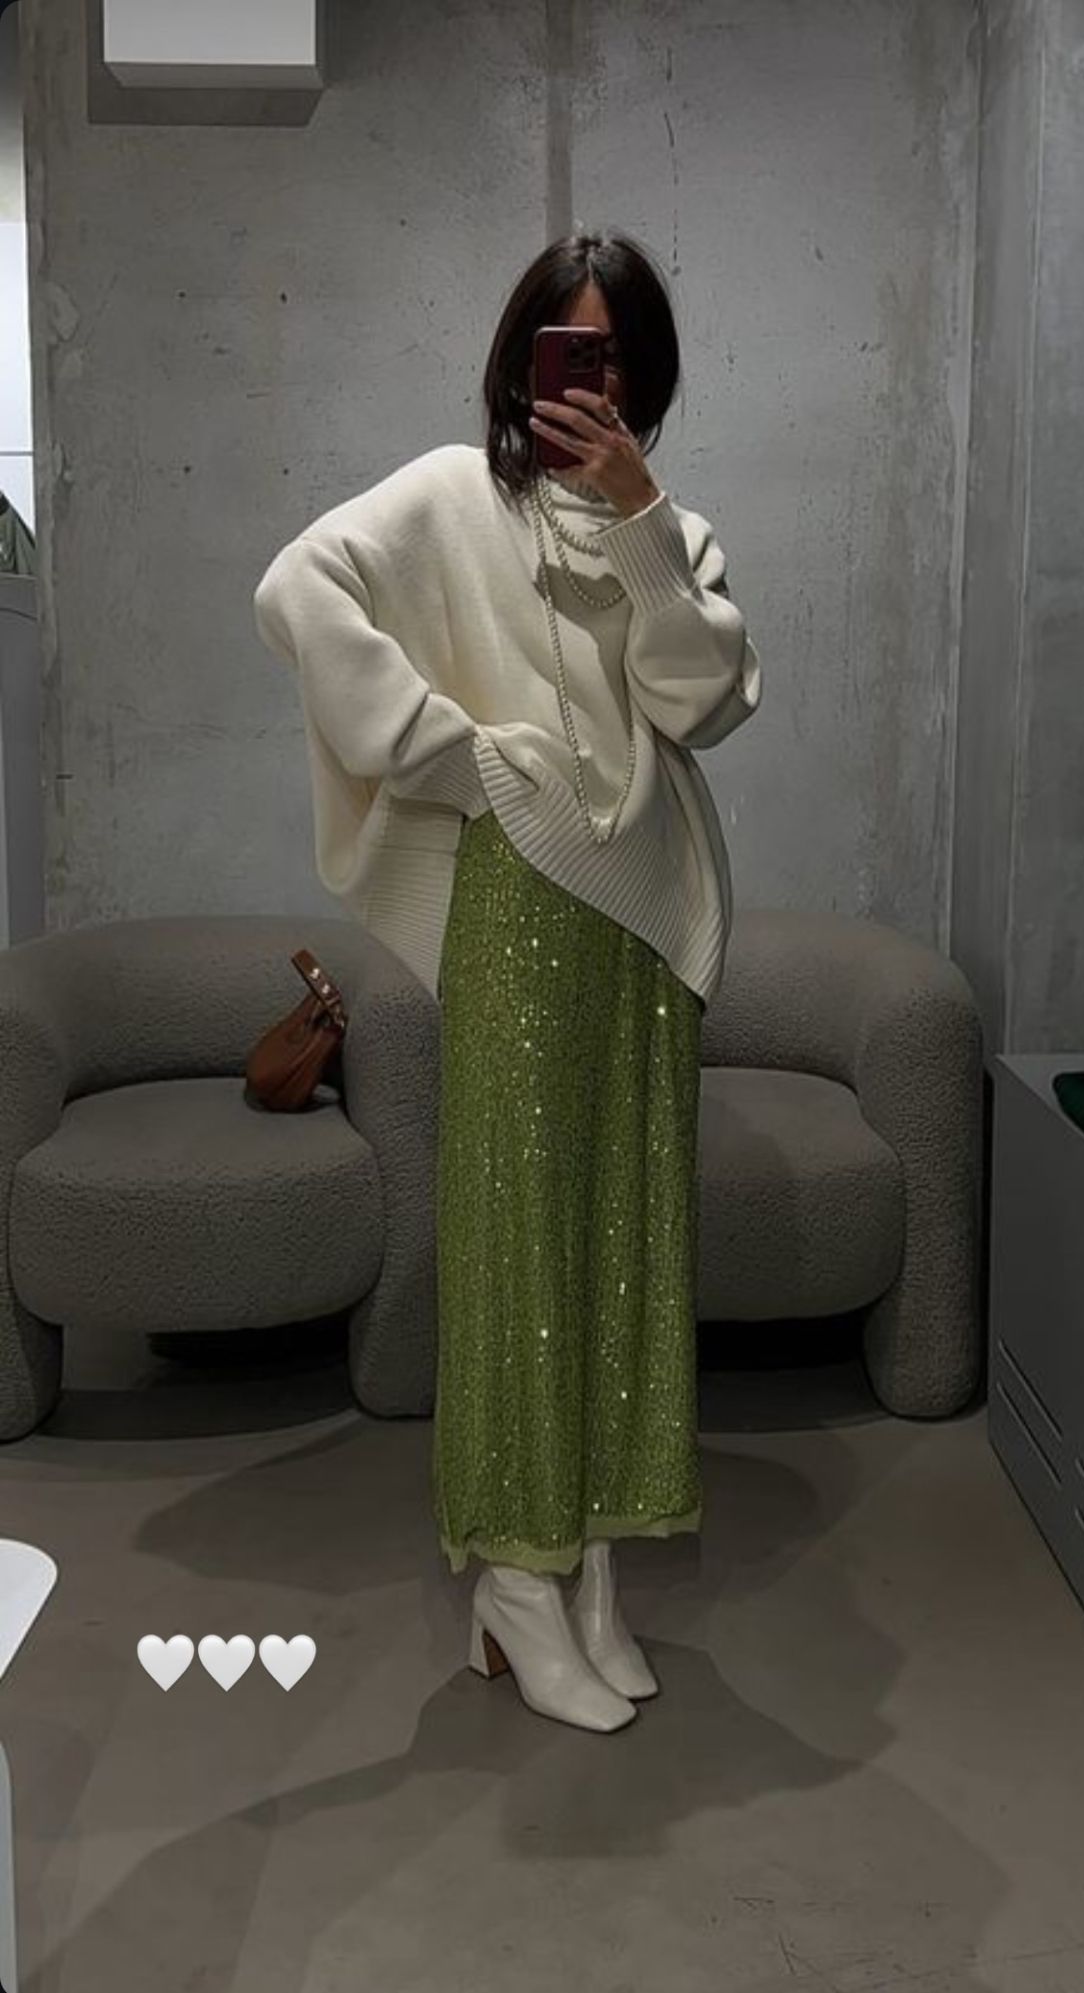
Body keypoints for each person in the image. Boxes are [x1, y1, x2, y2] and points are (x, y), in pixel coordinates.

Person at [253, 229, 762, 1735]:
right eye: (565, 351)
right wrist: (449, 750)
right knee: (520, 1243)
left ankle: (590, 1561)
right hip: (521, 911)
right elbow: (296, 587)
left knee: (627, 1240)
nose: (586, 385)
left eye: (614, 359)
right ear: (519, 359)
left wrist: (642, 518)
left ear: (645, 379)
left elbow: (700, 701)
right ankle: (516, 1581)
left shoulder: (674, 533)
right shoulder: (448, 496)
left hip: (642, 921)